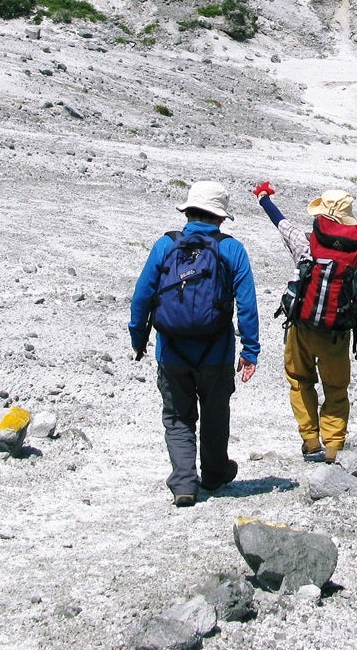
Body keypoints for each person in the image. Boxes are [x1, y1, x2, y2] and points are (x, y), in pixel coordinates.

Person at [129, 180, 259, 507]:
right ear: (220, 217)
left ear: (187, 211)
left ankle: (185, 483)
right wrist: (250, 351)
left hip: (171, 349)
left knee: (177, 416)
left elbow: (142, 297)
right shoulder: (232, 249)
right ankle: (215, 474)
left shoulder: (165, 245)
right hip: (216, 352)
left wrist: (139, 338)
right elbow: (246, 305)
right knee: (216, 413)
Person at [252, 181, 357, 463]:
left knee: (299, 380)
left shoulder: (306, 243)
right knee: (336, 388)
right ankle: (332, 444)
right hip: (336, 334)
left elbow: (281, 224)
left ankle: (310, 439)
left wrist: (264, 198)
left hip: (301, 327)